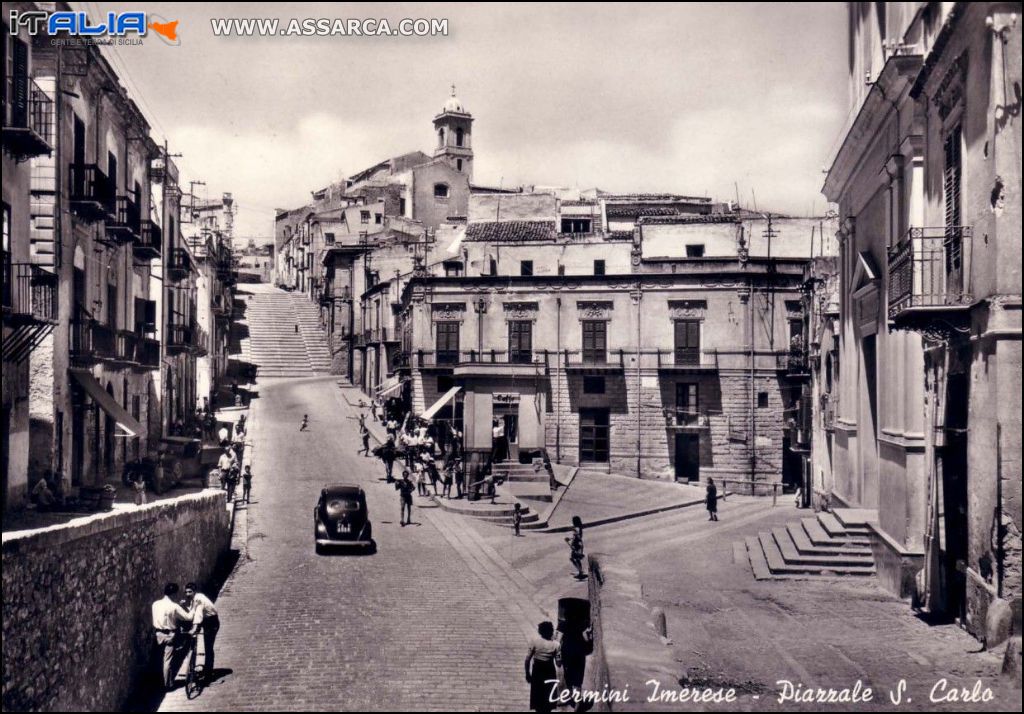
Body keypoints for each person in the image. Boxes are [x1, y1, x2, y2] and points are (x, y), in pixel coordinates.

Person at [152, 583, 194, 691]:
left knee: (158, 658)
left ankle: (156, 682)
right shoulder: (174, 606)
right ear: (174, 594)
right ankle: (168, 685)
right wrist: (190, 607)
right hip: (169, 635)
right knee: (168, 660)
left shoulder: (155, 604)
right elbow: (188, 617)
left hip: (158, 634)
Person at [183, 582, 219, 683]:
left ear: (194, 592)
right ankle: (193, 662)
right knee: (195, 639)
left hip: (212, 622)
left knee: (208, 647)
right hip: (204, 621)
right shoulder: (195, 599)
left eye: (190, 592)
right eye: (186, 592)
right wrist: (185, 606)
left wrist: (194, 628)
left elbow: (198, 614)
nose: (187, 594)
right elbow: (192, 612)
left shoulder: (198, 599)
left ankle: (209, 674)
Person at [525, 621, 561, 713]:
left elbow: (527, 660)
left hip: (537, 671)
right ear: (551, 631)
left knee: (538, 696)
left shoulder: (534, 642)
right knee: (548, 696)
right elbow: (558, 663)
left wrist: (527, 674)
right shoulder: (556, 645)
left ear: (540, 631)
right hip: (549, 671)